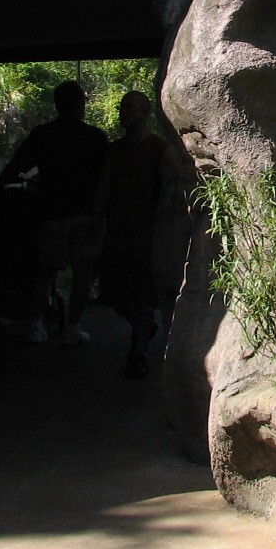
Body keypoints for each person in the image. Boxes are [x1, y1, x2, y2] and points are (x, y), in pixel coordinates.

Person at [0, 80, 108, 346]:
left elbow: (14, 168)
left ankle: (36, 326)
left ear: (56, 105)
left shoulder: (42, 134)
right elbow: (105, 181)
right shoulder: (95, 137)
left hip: (51, 215)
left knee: (44, 273)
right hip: (83, 214)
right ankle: (72, 329)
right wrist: (99, 215)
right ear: (81, 104)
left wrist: (1, 183)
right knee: (82, 274)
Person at [97, 91, 170, 378]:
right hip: (117, 232)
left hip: (146, 232)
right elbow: (104, 186)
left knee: (143, 296)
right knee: (115, 296)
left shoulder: (158, 149)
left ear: (145, 113)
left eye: (130, 107)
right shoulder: (113, 151)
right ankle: (143, 329)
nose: (123, 112)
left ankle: (137, 351)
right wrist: (96, 220)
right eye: (121, 107)